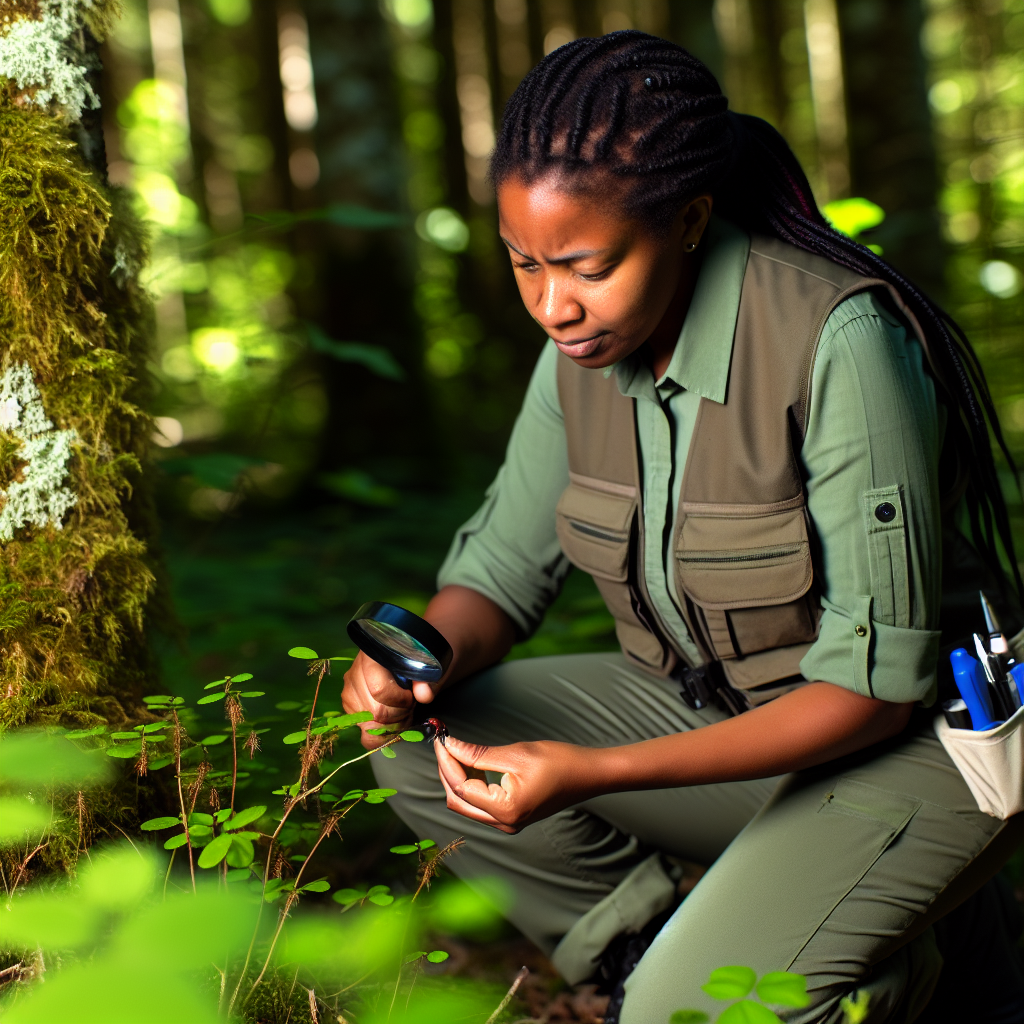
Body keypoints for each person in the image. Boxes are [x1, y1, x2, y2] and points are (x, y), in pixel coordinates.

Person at [342, 32, 1024, 1024]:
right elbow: (496, 574)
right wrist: (423, 660)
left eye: (586, 265)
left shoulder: (841, 339)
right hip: (730, 725)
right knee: (420, 736)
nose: (552, 305)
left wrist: (595, 770)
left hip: (920, 750)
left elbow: (871, 696)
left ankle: (864, 978)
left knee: (693, 1012)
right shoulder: (579, 351)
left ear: (689, 220)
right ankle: (656, 943)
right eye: (524, 264)